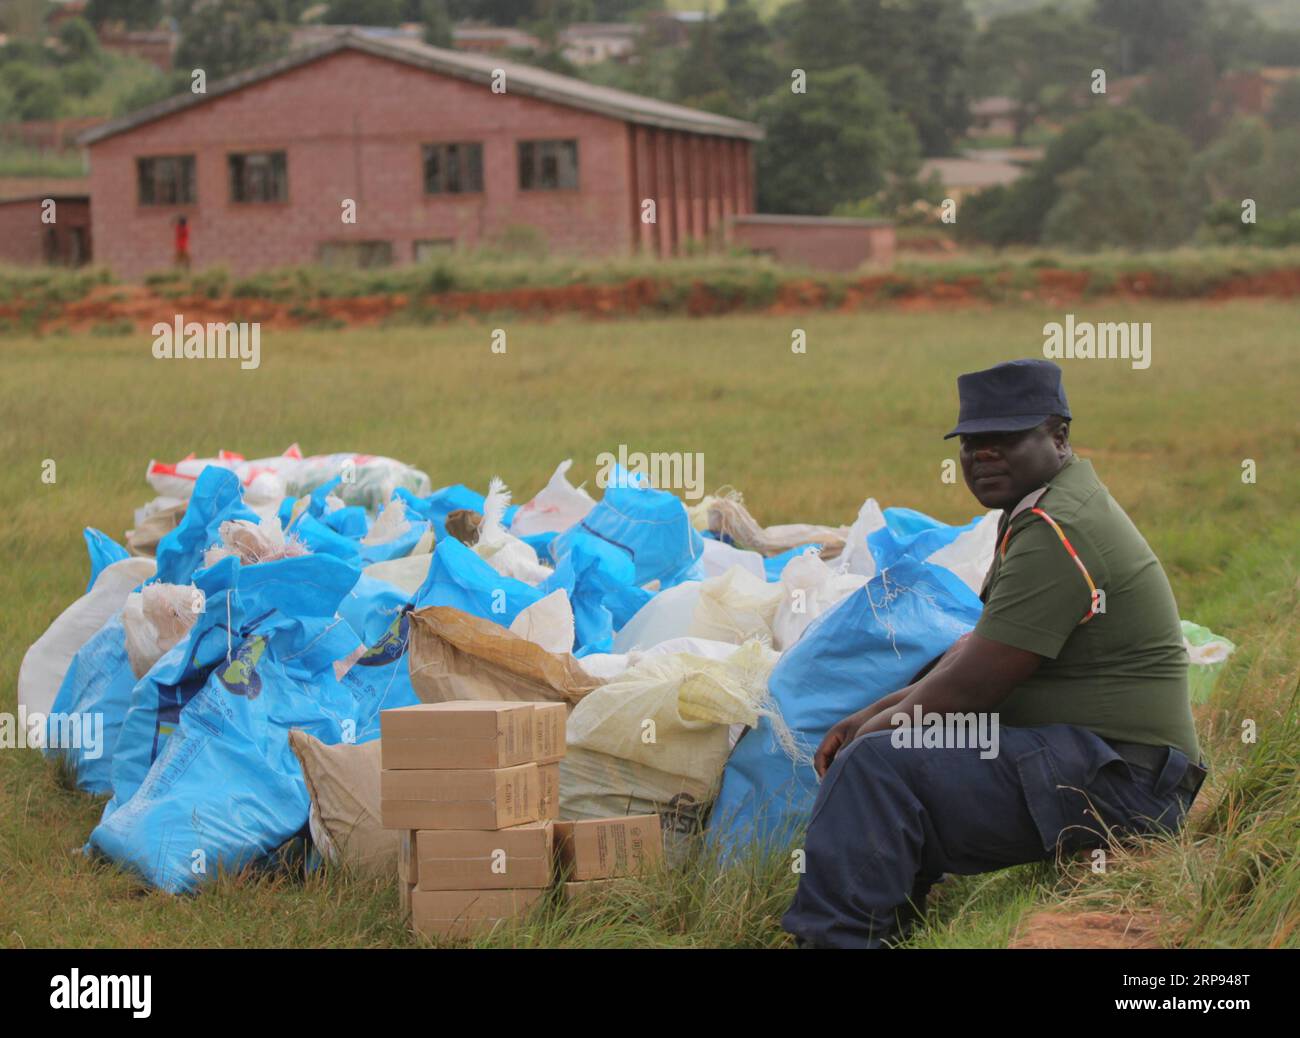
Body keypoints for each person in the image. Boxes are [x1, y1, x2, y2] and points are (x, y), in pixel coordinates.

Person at [782, 358, 1205, 949]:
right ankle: (885, 930)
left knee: (876, 768)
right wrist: (868, 716)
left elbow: (971, 689)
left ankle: (839, 941)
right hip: (1102, 761)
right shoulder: (1043, 511)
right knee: (888, 755)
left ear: (1059, 437)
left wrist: (870, 739)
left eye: (1005, 439)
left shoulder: (1061, 530)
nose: (983, 456)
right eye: (972, 443)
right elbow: (973, 650)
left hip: (1127, 782)